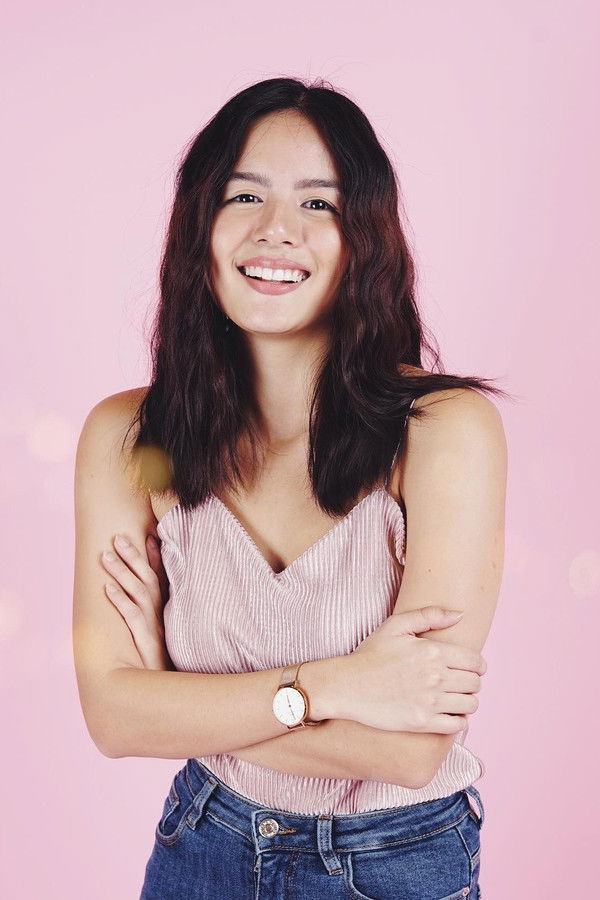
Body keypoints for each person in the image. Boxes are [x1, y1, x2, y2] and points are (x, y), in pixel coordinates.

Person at [73, 76, 508, 899]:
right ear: (200, 226)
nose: (276, 230)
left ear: (364, 239)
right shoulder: (126, 435)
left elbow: (408, 751)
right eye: (245, 195)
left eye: (319, 204)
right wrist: (330, 688)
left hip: (392, 862)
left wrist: (178, 697)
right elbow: (112, 719)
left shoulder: (445, 430)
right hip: (202, 844)